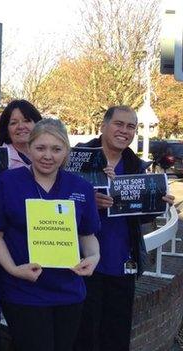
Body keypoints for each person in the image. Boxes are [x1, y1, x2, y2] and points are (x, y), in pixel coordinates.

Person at [0, 118, 101, 351]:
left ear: (66, 151)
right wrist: (13, 269)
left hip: (69, 291)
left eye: (56, 149)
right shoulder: (6, 183)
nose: (48, 156)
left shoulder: (80, 187)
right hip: (23, 290)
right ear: (29, 148)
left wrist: (94, 257)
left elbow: (87, 234)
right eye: (40, 148)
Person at [75, 106, 175, 351]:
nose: (125, 130)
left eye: (131, 126)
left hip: (123, 263)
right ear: (103, 126)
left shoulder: (135, 166)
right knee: (84, 335)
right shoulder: (77, 157)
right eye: (119, 124)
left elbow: (135, 216)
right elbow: (56, 201)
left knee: (117, 335)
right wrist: (89, 202)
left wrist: (157, 204)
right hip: (83, 263)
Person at [0, 99, 43, 169]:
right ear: (6, 129)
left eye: (26, 121)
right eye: (13, 123)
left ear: (38, 124)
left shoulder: (49, 154)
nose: (21, 126)